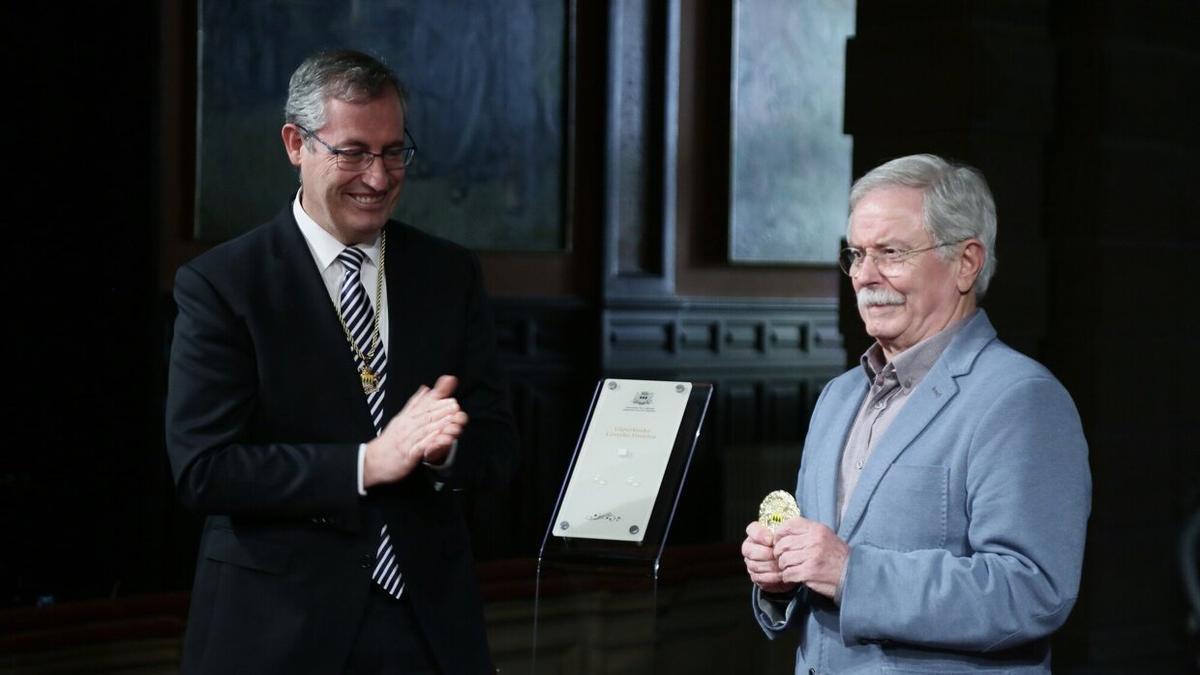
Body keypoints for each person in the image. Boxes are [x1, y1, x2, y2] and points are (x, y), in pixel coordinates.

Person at [166, 49, 517, 674]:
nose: (378, 178)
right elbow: (205, 470)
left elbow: (497, 442)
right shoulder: (224, 285)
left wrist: (442, 452)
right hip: (280, 630)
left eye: (393, 152)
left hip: (429, 626)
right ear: (296, 144)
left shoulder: (448, 273)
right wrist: (367, 463)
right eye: (353, 152)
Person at [742, 154, 1090, 673]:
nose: (865, 275)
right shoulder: (838, 397)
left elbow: (1033, 590)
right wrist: (782, 578)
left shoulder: (1021, 399)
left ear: (966, 262)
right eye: (857, 254)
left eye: (891, 252)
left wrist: (849, 573)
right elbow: (822, 581)